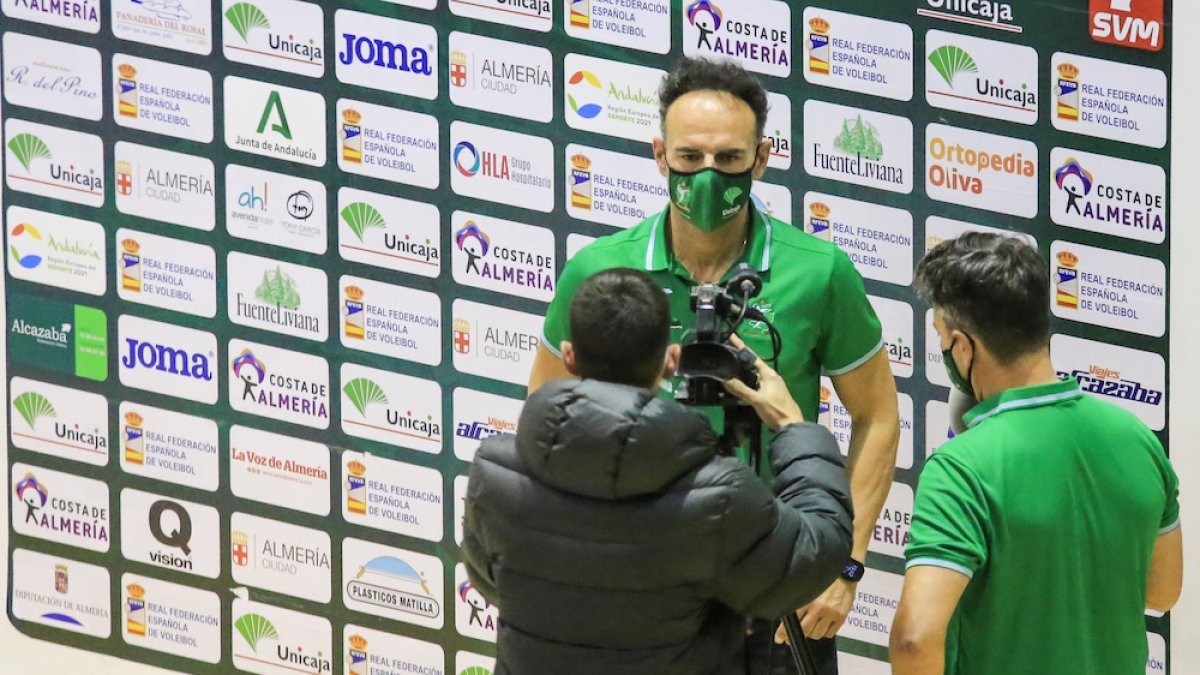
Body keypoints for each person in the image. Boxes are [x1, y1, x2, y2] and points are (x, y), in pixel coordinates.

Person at [527, 56, 900, 672]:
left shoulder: (820, 271)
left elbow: (878, 416)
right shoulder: (599, 270)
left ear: (762, 158)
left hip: (774, 586)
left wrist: (844, 565)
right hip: (639, 589)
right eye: (689, 157)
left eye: (728, 159)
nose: (707, 176)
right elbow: (546, 413)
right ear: (659, 155)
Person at [462, 268, 855, 675]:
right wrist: (794, 427)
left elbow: (492, 583)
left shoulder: (494, 469)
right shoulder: (717, 497)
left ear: (568, 355)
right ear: (670, 361)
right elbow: (817, 551)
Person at [891, 233, 1183, 674]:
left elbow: (915, 640)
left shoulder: (960, 469)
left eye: (942, 339)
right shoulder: (1138, 439)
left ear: (964, 346)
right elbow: (1163, 591)